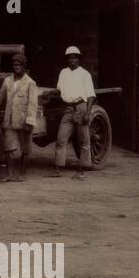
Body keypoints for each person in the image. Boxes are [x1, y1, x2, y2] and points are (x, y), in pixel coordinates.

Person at [52, 45, 96, 180]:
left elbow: (91, 96)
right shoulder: (63, 72)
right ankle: (57, 170)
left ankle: (81, 171)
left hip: (80, 107)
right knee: (61, 139)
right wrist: (48, 92)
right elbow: (60, 90)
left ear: (79, 59)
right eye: (70, 57)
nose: (72, 60)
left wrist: (88, 113)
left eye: (75, 57)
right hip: (68, 109)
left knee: (83, 141)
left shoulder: (85, 74)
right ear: (67, 59)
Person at [0, 54, 38, 182]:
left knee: (25, 149)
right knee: (8, 148)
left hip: (23, 120)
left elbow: (33, 104)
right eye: (14, 65)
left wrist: (29, 122)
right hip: (9, 120)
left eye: (19, 65)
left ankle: (22, 174)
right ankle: (9, 174)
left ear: (24, 67)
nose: (16, 67)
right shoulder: (7, 81)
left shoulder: (30, 83)